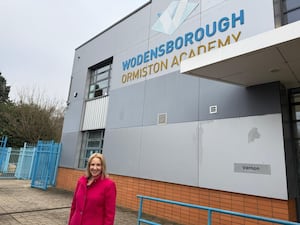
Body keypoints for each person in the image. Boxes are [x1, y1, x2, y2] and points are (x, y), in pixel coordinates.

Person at [68, 153, 117, 225]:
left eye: (98, 165)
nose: (95, 168)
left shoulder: (109, 185)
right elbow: (74, 206)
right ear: (89, 166)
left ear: (103, 167)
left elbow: (109, 215)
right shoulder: (81, 181)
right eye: (92, 164)